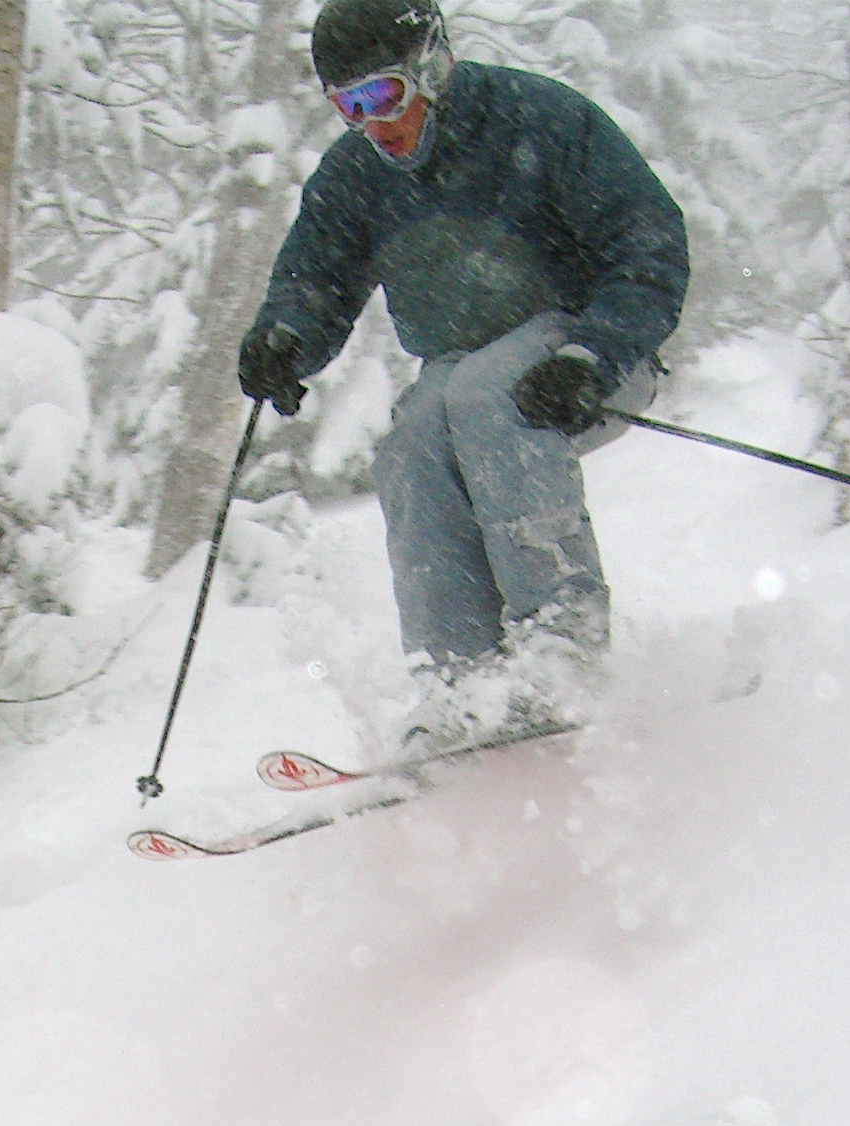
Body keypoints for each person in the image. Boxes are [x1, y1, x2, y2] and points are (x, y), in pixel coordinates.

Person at [236, 0, 689, 754]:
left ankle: (561, 653)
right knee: (409, 449)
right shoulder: (357, 174)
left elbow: (648, 245)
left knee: (486, 399)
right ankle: (457, 681)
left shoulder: (536, 120)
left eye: (382, 94)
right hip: (462, 366)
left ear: (431, 69)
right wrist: (285, 338)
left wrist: (592, 357)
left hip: (579, 351)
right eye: (348, 105)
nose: (372, 123)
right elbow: (316, 276)